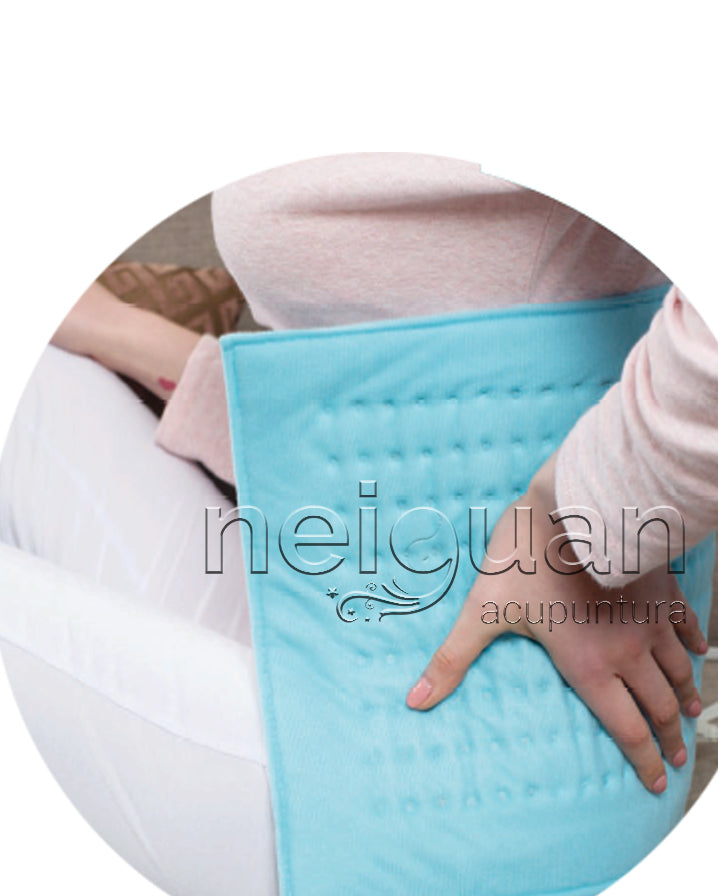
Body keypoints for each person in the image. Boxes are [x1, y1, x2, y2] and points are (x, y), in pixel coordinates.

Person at [50, 152, 718, 795]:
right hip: (341, 596)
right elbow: (376, 438)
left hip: (483, 719)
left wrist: (588, 518)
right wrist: (124, 335)